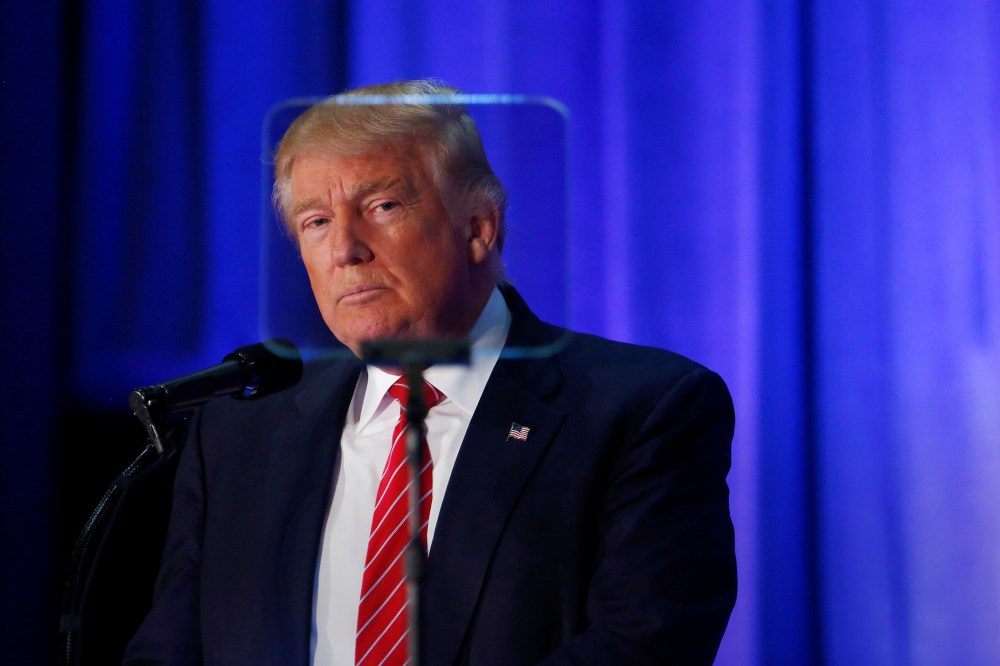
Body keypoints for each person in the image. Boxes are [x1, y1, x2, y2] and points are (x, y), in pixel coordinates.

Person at [123, 78, 737, 665]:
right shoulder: (237, 434)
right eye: (316, 222)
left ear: (478, 228)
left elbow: (646, 645)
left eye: (382, 205)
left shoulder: (642, 409)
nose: (345, 250)